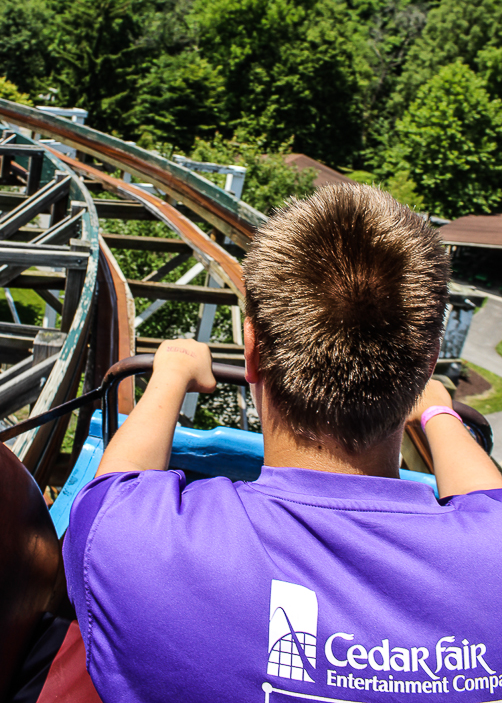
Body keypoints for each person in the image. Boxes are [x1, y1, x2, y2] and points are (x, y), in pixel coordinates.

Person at [63, 184, 502, 703]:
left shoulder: (132, 544)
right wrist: (439, 411)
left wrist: (171, 372)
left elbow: (116, 485)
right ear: (427, 363)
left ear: (251, 350)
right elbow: (486, 502)